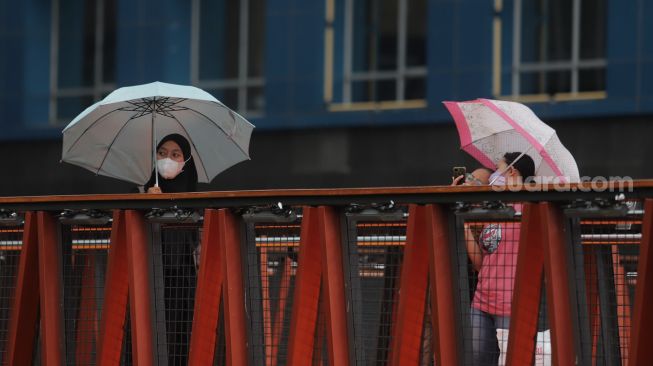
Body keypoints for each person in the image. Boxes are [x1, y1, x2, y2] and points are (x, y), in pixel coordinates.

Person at [463, 152, 535, 365]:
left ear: (512, 171)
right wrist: (464, 225)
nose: (494, 175)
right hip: (481, 302)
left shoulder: (529, 208)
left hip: (510, 306)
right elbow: (481, 265)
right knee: (476, 360)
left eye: (498, 169)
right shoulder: (494, 209)